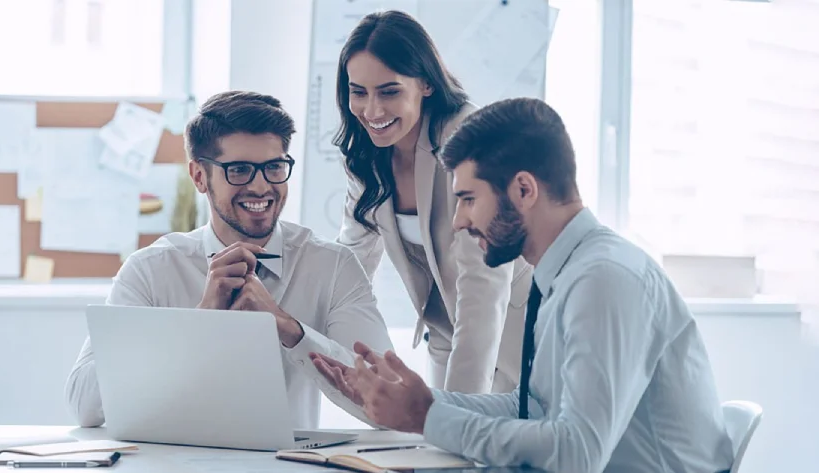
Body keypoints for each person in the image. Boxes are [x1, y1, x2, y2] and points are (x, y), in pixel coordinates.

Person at [312, 98, 735, 472]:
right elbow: (532, 407)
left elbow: (577, 454)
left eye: (468, 198)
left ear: (523, 189)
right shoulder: (564, 273)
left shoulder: (603, 280)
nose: (459, 220)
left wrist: (426, 417)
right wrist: (419, 401)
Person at [65, 91, 394, 429]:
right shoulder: (151, 270)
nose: (261, 186)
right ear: (198, 177)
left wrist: (288, 328)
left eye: (274, 167)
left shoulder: (333, 267)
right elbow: (86, 406)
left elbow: (392, 404)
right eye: (239, 170)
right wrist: (199, 323)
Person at [334, 9, 533, 394]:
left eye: (389, 91)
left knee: (480, 442)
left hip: (519, 334)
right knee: (438, 447)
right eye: (358, 92)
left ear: (425, 83)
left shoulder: (470, 140)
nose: (371, 111)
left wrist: (460, 418)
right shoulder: (365, 157)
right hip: (446, 336)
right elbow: (349, 269)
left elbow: (484, 286)